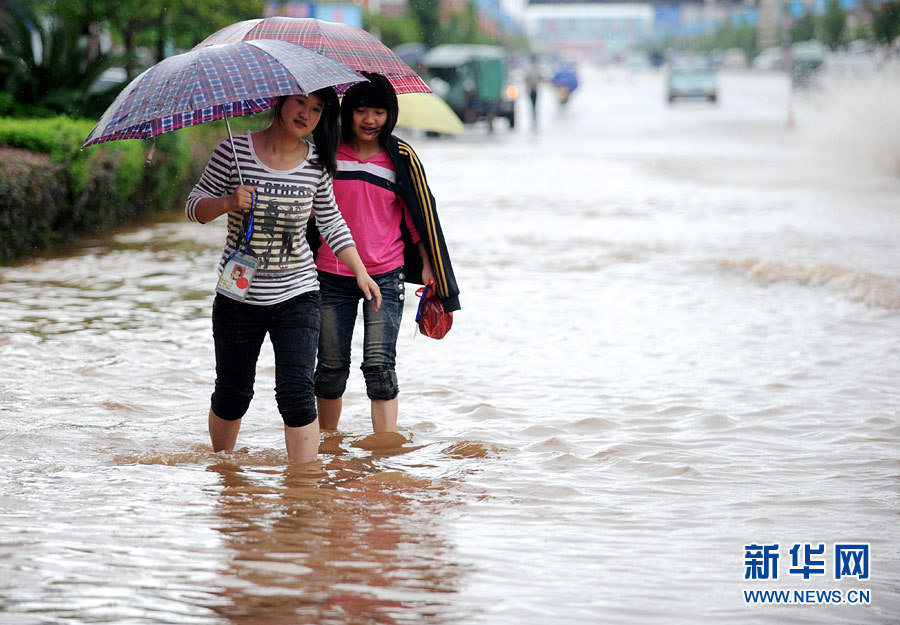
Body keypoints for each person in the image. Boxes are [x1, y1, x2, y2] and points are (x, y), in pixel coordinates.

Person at [185, 88, 382, 465]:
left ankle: (304, 490)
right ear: (279, 101)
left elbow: (332, 222)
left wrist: (361, 272)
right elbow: (195, 207)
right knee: (232, 394)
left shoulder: (317, 164)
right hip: (238, 296)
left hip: (298, 293)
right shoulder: (234, 152)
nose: (307, 113)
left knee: (295, 393)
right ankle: (226, 478)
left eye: (317, 108)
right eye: (301, 102)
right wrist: (228, 202)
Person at [308, 72, 461, 435]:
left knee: (379, 366)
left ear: (389, 114)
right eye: (361, 110)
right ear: (348, 112)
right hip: (331, 272)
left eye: (378, 111)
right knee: (330, 368)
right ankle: (328, 445)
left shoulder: (401, 156)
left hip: (385, 273)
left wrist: (428, 265)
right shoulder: (326, 150)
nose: (369, 120)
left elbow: (418, 217)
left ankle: (385, 448)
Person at [524, 56, 543, 126]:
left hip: (533, 90)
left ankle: (533, 117)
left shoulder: (530, 70)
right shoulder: (536, 70)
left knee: (533, 105)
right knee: (534, 105)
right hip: (533, 90)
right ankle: (534, 118)